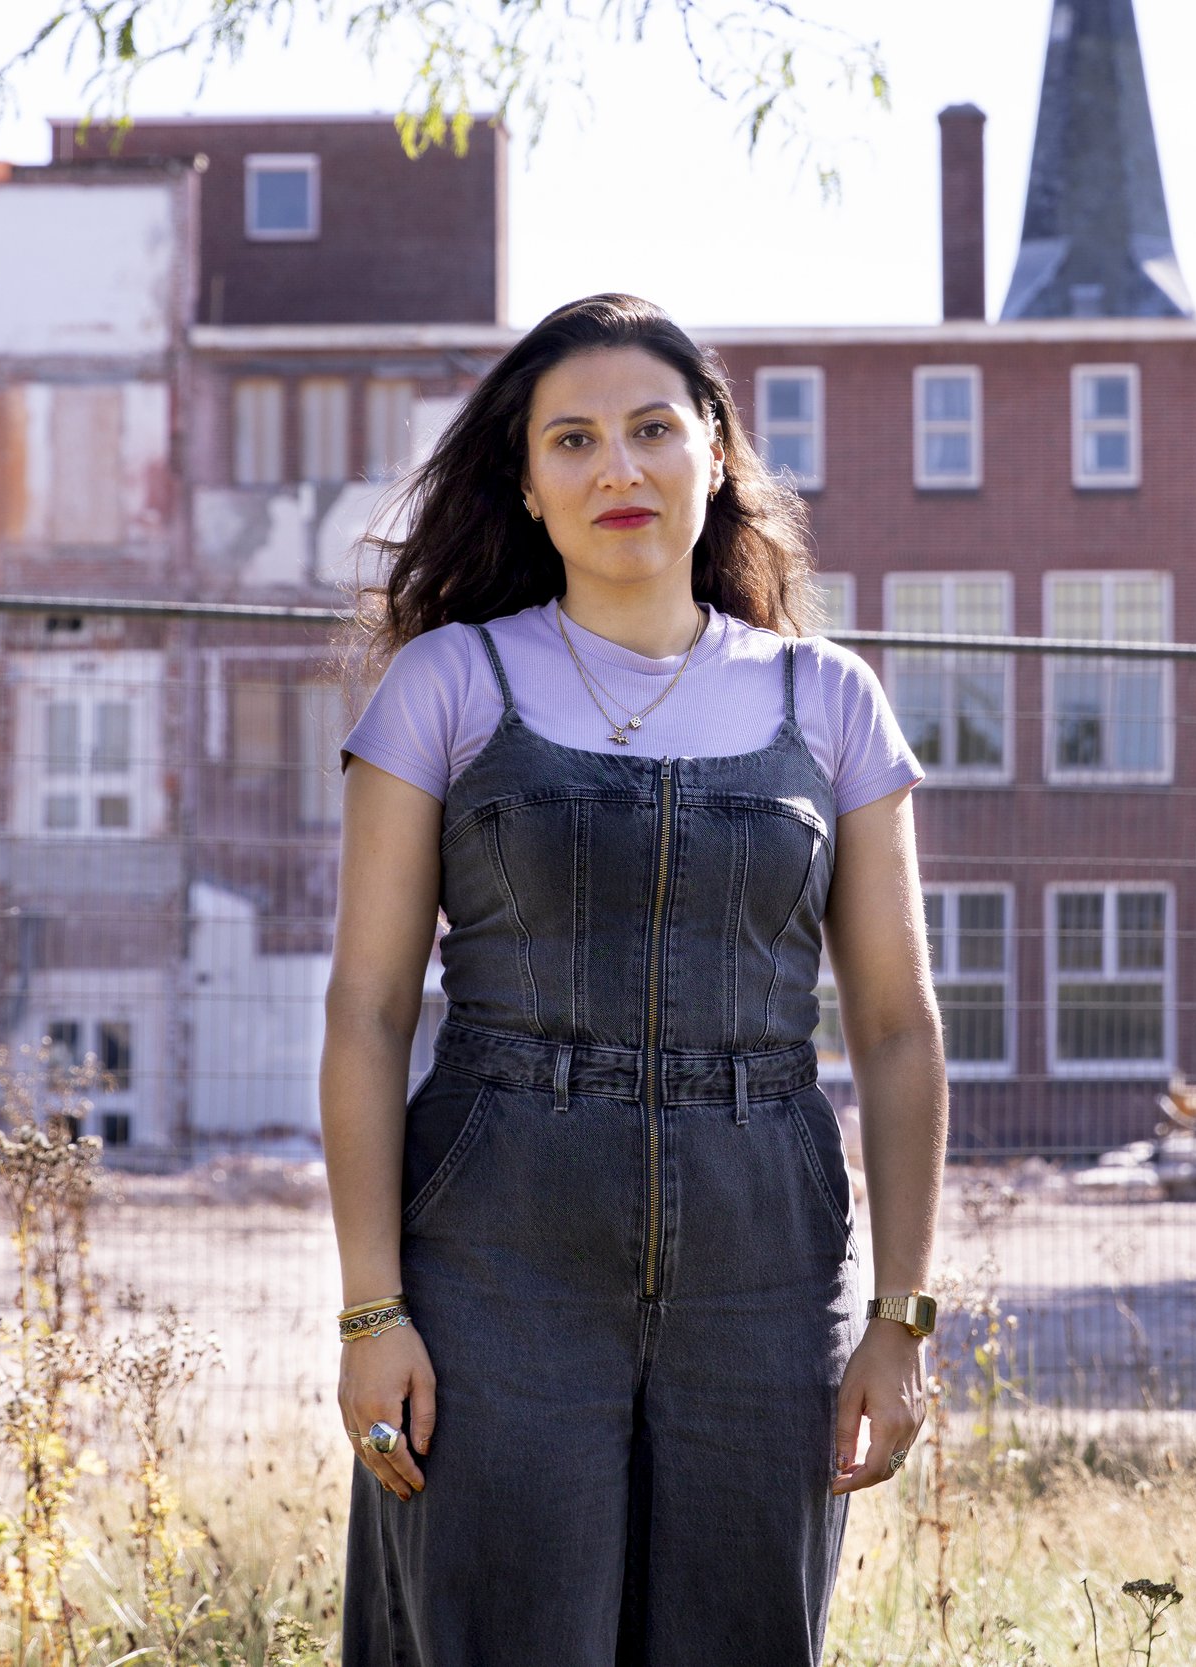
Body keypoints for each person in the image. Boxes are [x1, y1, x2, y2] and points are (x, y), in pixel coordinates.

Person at [322, 292, 950, 1666]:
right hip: (496, 1256)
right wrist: (373, 1311)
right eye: (574, 440)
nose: (619, 467)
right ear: (528, 485)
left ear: (716, 454)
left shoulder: (829, 699)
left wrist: (901, 1322)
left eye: (653, 429)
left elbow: (899, 1031)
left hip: (764, 1264)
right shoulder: (447, 684)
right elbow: (367, 1013)